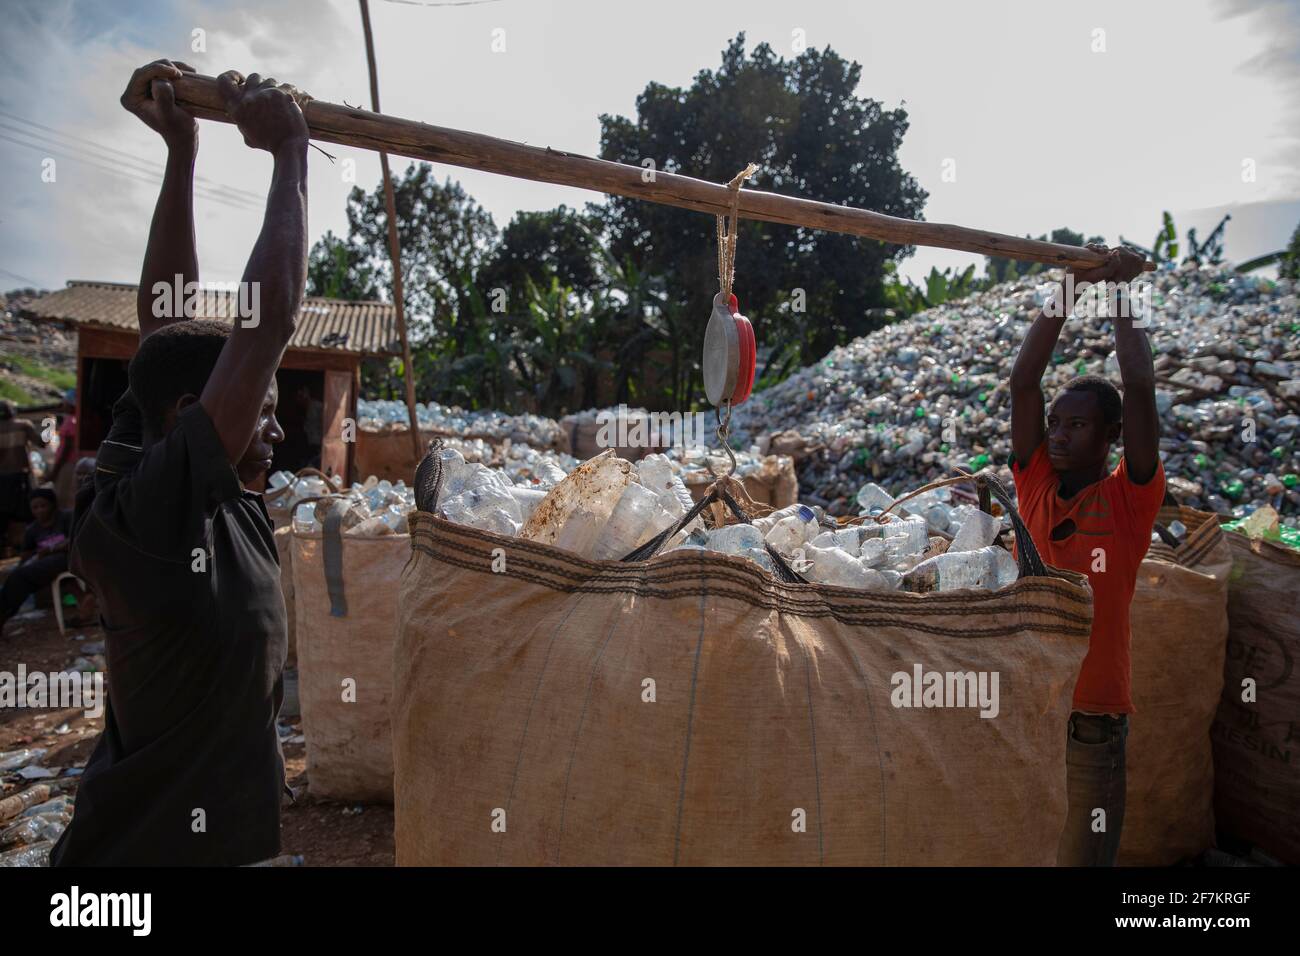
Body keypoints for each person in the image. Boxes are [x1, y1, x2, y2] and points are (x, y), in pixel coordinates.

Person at [51, 59, 308, 866]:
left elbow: (166, 330)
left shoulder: (193, 487)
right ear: (189, 418)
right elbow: (264, 328)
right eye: (259, 409)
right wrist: (290, 152)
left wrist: (182, 153)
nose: (277, 431)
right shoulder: (148, 518)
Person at [1008, 244, 1164, 867]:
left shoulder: (1128, 500)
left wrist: (1121, 293)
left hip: (1091, 721)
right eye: (1056, 422)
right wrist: (1069, 287)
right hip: (1028, 704)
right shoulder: (1036, 486)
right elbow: (1023, 380)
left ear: (1111, 438)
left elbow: (1141, 386)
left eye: (1078, 425)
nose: (1061, 433)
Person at [0, 488, 72, 635]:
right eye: (35, 507)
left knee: (20, 578)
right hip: (44, 566)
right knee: (16, 578)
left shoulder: (66, 518)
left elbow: (74, 541)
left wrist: (51, 550)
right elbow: (26, 554)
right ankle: (4, 613)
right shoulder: (33, 530)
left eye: (43, 506)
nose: (39, 510)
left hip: (67, 558)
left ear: (52, 505)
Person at [0, 399, 46, 554]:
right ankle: (28, 549)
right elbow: (43, 443)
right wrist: (50, 425)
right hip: (21, 477)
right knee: (27, 515)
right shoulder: (23, 425)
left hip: (2, 479)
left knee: (3, 517)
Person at [47, 389, 79, 509]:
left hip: (66, 464)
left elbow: (66, 448)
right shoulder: (73, 419)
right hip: (67, 463)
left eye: (65, 402)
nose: (63, 405)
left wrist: (55, 471)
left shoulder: (71, 421)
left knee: (62, 499)